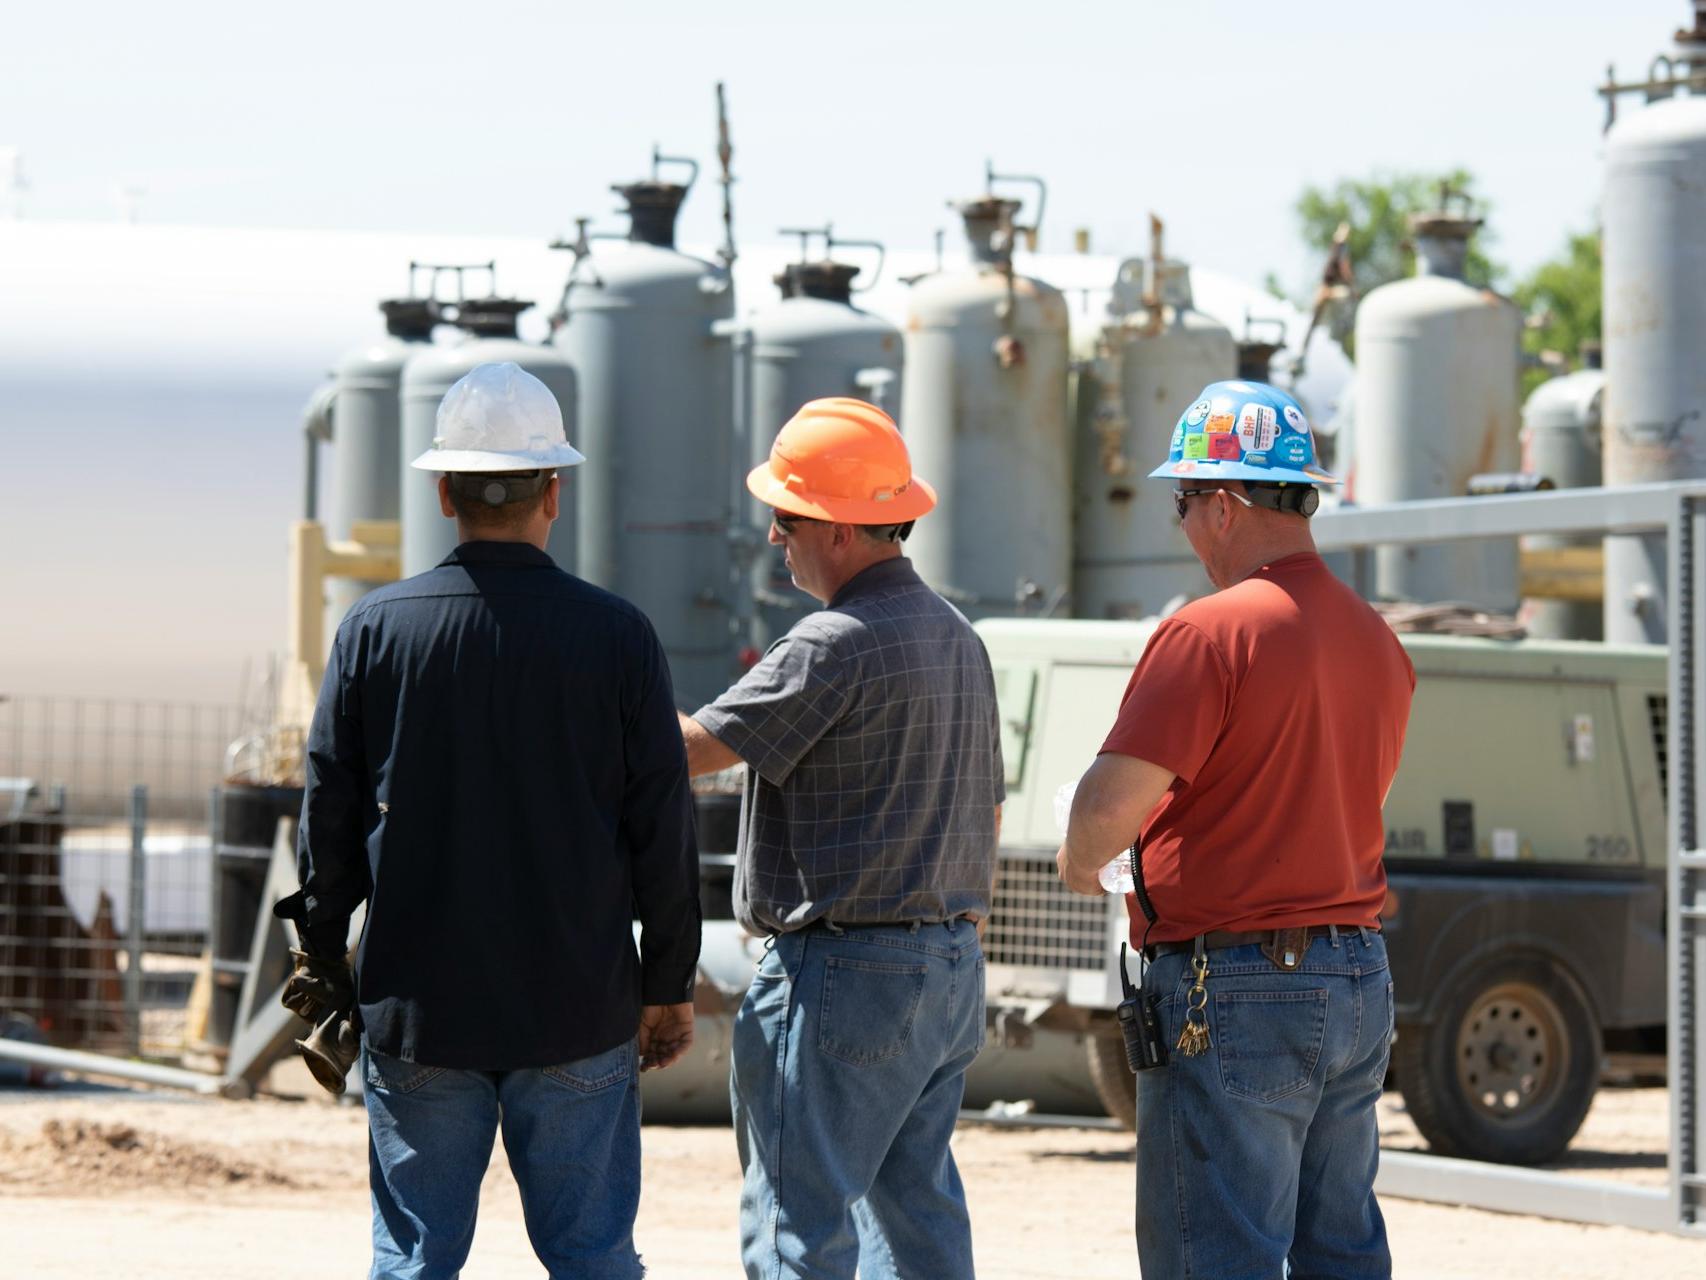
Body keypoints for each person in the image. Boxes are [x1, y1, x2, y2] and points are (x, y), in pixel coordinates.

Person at [275, 361, 701, 1280]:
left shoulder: (375, 630)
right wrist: (667, 983)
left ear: (442, 492)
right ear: (555, 489)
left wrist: (322, 949)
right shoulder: (619, 636)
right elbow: (661, 828)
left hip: (420, 1005)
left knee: (416, 1259)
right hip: (578, 1005)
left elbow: (330, 812)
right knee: (592, 1256)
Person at [1055, 379, 1415, 1279]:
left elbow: (1106, 815)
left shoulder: (1209, 633)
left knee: (1214, 1256)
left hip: (1239, 984)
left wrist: (1078, 859)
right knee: (1340, 1248)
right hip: (1356, 973)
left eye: (1182, 504)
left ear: (1221, 504)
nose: (1182, 527)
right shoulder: (1377, 638)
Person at [678, 397, 1003, 1280]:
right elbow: (991, 810)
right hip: (946, 969)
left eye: (785, 520)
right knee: (915, 1219)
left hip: (844, 975)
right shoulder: (957, 636)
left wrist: (586, 698)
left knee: (797, 1225)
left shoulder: (831, 642)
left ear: (836, 529)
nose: (776, 540)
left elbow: (690, 752)